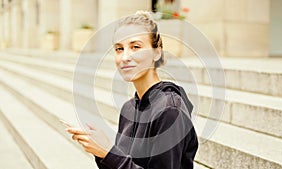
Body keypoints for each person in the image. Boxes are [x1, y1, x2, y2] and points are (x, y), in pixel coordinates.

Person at [66, 11, 198, 169]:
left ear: (156, 53)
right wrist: (101, 152)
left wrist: (108, 153)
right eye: (119, 49)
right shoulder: (128, 108)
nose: (125, 57)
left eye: (136, 47)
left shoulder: (170, 110)